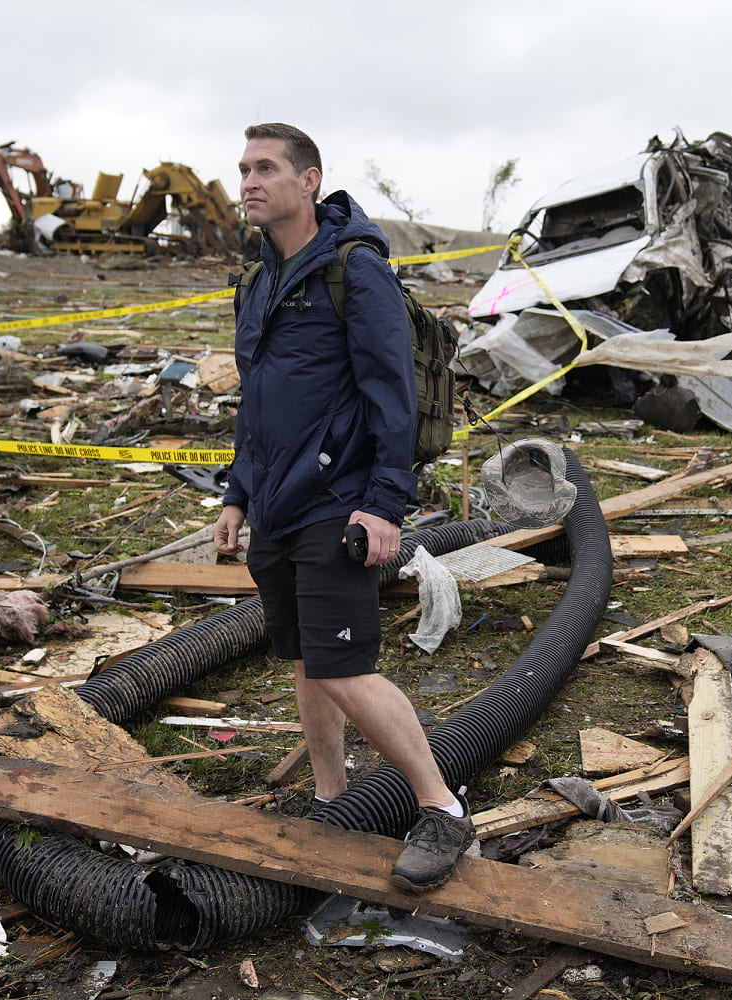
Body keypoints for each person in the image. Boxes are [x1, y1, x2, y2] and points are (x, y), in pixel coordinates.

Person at [213, 123, 474, 893]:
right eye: (243, 169)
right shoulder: (259, 280)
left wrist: (384, 504)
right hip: (276, 506)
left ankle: (442, 808)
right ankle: (331, 797)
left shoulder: (355, 271)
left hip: (338, 502)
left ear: (309, 180)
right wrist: (236, 493)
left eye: (266, 168)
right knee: (305, 662)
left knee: (346, 667)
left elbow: (390, 394)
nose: (249, 181)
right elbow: (255, 402)